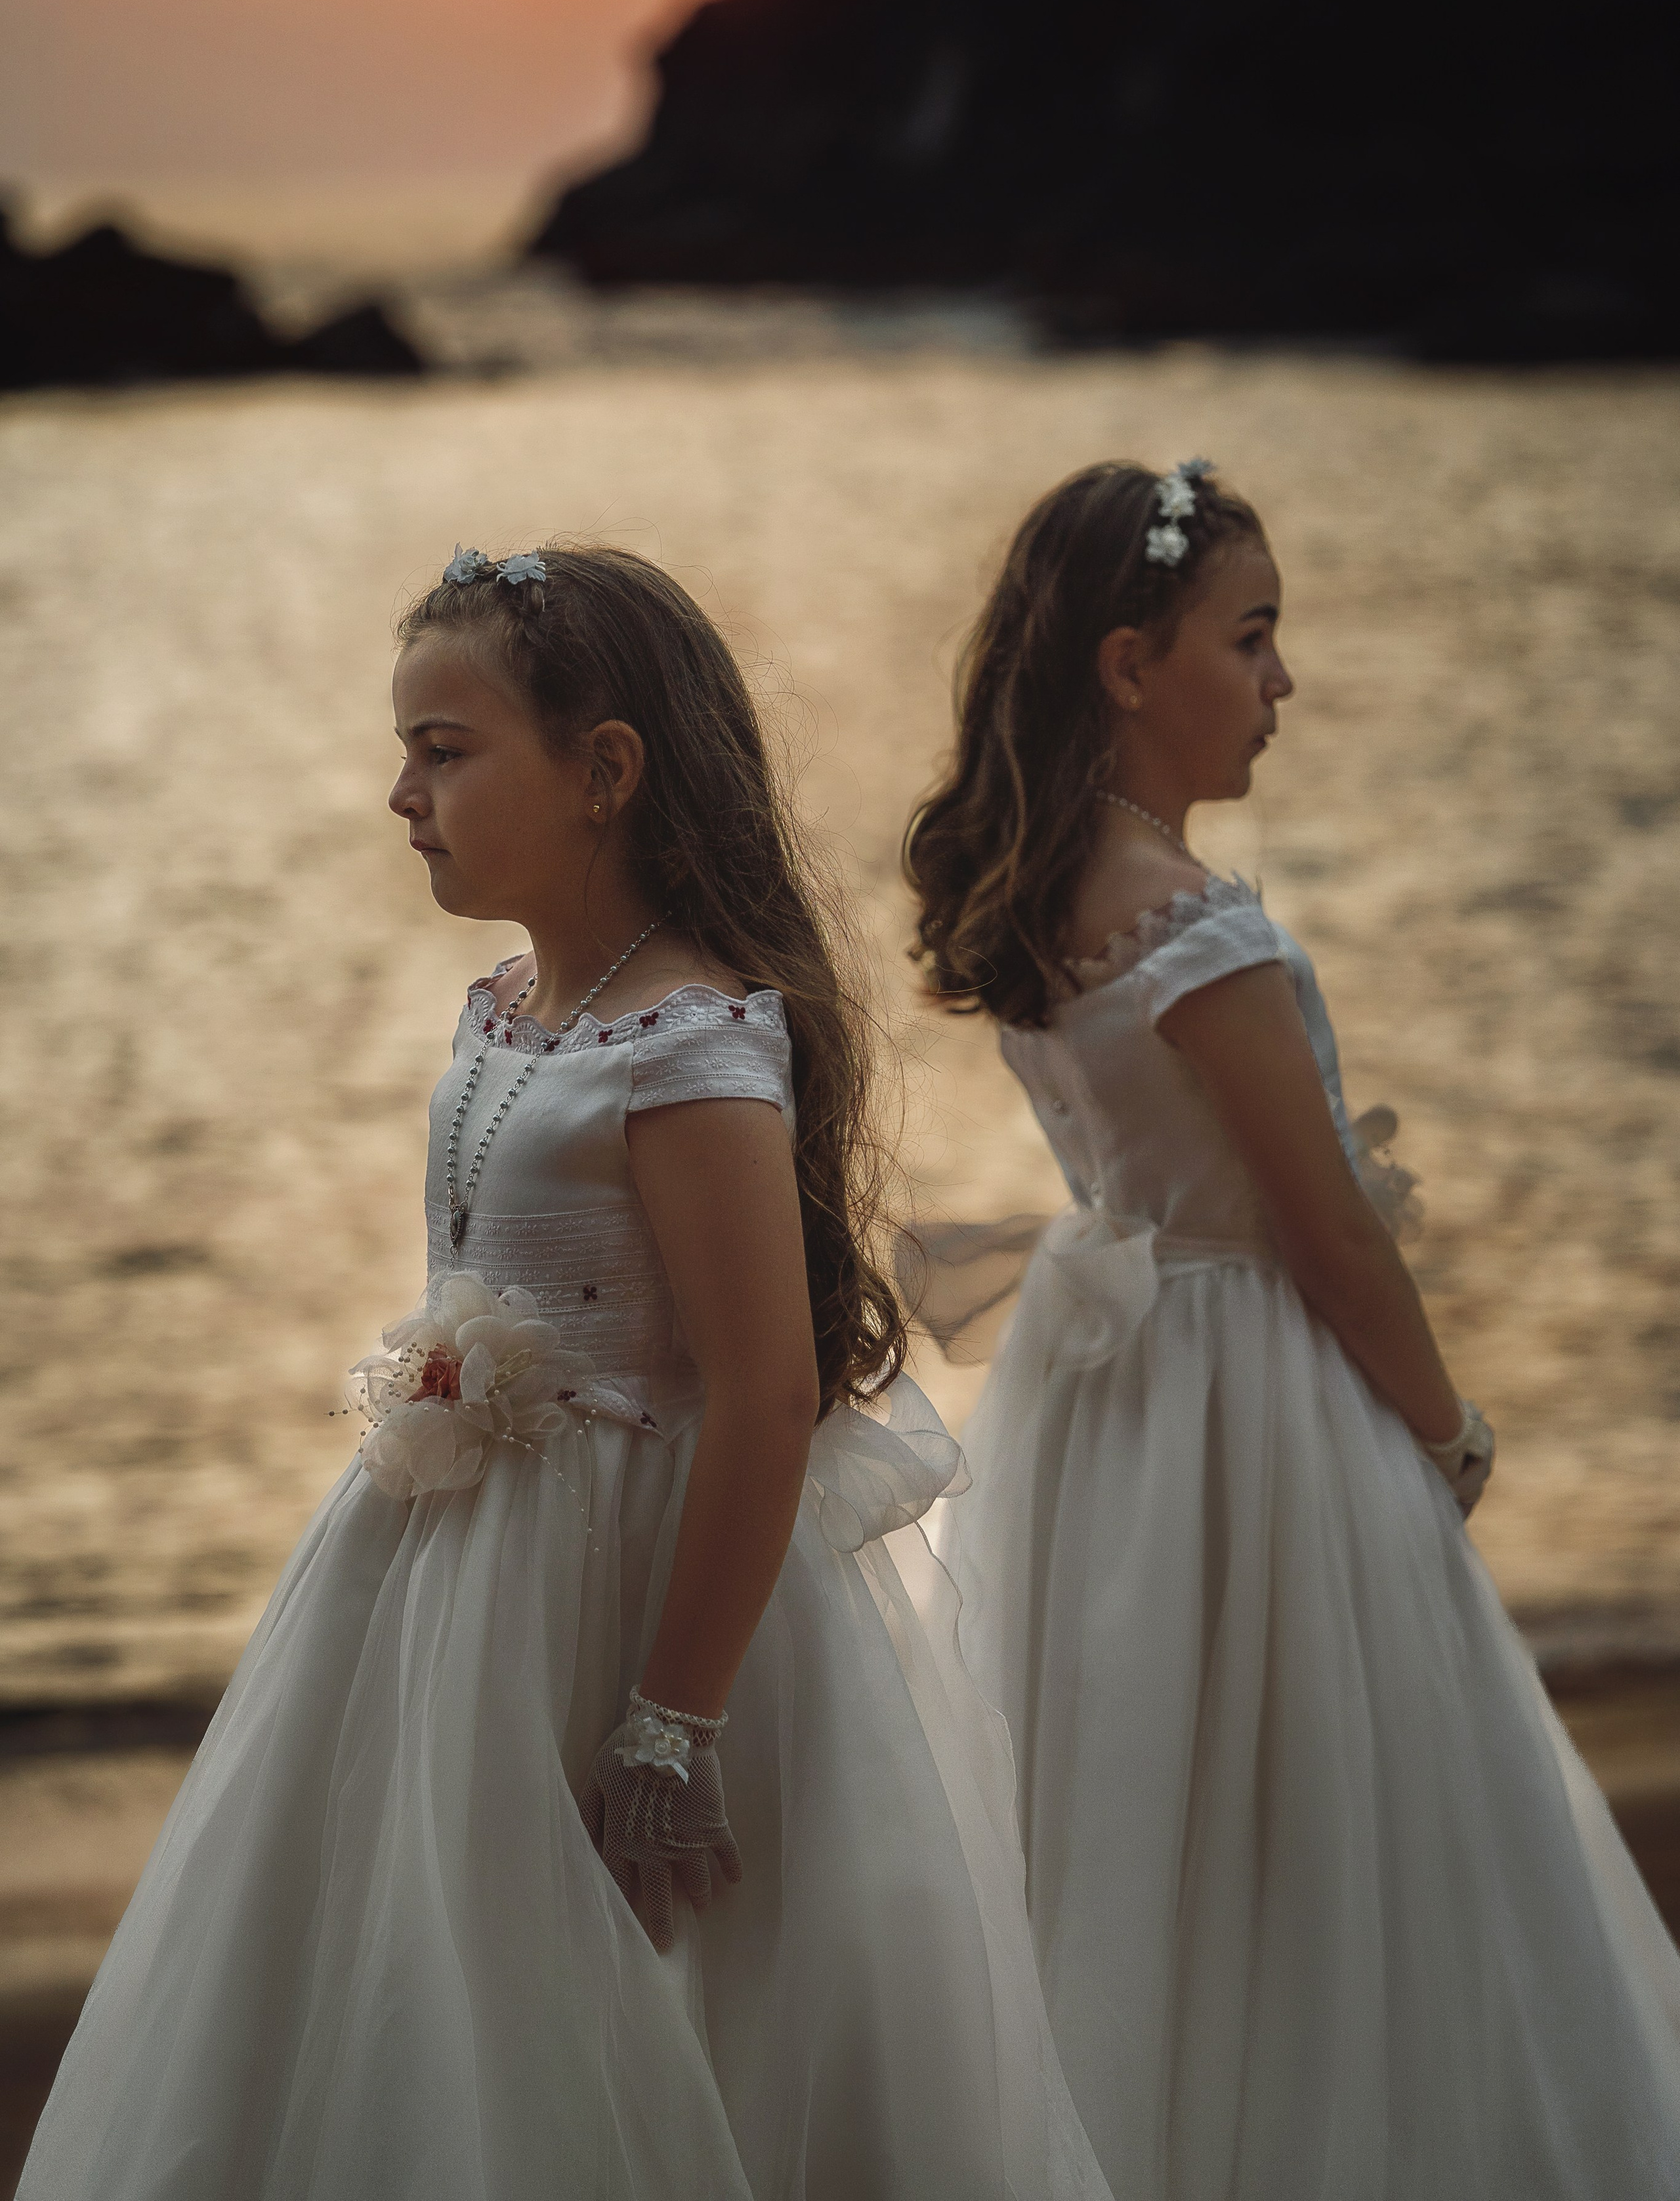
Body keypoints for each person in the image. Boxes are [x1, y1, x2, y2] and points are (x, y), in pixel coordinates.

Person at [22, 543, 1108, 2201]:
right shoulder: (509, 1007)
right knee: (415, 1982)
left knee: (640, 2014)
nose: (402, 792)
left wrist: (669, 1723)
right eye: (406, 750)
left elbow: (760, 1394)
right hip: (446, 1591)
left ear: (603, 770)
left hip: (628, 1596)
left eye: (444, 750)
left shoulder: (690, 1045)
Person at [902, 459, 1680, 2200]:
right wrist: (1442, 1427)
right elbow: (1325, 1232)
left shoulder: (1044, 912)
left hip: (1111, 1415)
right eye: (1250, 640)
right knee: (1339, 1828)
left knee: (1136, 1811)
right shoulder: (1197, 928)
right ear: (1128, 664)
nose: (1281, 683)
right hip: (1255, 1401)